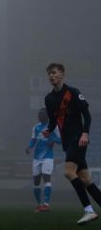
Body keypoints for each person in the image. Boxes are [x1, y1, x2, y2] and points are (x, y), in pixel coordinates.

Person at [43, 63, 101, 225]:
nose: (51, 76)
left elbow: (87, 116)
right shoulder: (49, 99)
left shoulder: (73, 93)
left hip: (78, 138)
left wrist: (85, 133)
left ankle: (88, 210)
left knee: (68, 172)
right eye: (49, 73)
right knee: (86, 179)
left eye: (54, 72)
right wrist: (48, 130)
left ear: (62, 74)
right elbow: (53, 121)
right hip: (67, 142)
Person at [26, 108, 61, 212]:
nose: (40, 116)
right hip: (36, 158)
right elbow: (33, 140)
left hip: (48, 157)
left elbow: (61, 139)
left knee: (46, 178)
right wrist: (29, 147)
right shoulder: (35, 127)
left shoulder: (53, 126)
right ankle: (39, 204)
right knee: (36, 182)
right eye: (39, 114)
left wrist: (54, 140)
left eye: (42, 114)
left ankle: (46, 204)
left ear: (47, 115)